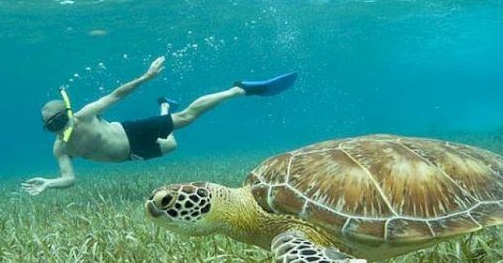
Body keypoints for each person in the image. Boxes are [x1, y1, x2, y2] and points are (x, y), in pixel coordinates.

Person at [22, 56, 297, 195]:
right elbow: (69, 179)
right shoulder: (61, 148)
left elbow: (117, 94)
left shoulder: (84, 115)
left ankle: (237, 90)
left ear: (68, 113)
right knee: (173, 145)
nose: (60, 128)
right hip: (130, 155)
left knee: (186, 119)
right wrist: (48, 183)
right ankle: (165, 104)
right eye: (52, 127)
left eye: (60, 121)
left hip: (132, 132)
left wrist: (147, 75)